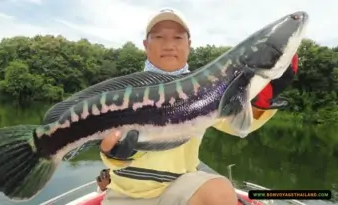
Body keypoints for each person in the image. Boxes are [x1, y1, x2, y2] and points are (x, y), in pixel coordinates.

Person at [97, 8, 299, 205]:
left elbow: (237, 125)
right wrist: (113, 155)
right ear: (145, 44)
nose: (169, 45)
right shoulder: (124, 93)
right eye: (159, 37)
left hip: (180, 190)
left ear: (189, 45)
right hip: (123, 195)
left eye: (178, 38)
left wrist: (262, 100)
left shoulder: (207, 88)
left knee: (219, 191)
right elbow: (105, 150)